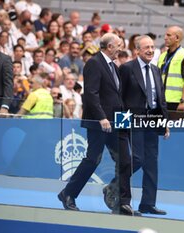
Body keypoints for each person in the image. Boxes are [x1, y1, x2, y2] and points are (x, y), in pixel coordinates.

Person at [57, 33, 139, 216]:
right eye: (118, 45)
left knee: (126, 161)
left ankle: (122, 202)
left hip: (116, 123)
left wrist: (125, 122)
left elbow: (118, 98)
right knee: (93, 159)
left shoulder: (114, 66)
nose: (121, 48)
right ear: (109, 46)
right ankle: (68, 193)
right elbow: (91, 94)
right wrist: (102, 117)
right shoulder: (94, 63)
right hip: (99, 122)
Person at [104, 35, 169, 215]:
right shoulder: (126, 68)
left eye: (152, 47)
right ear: (137, 50)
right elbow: (119, 97)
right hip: (133, 121)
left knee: (151, 163)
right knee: (137, 159)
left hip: (153, 121)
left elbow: (160, 100)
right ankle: (116, 186)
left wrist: (164, 123)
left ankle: (147, 203)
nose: (150, 50)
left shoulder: (156, 70)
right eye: (146, 47)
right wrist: (121, 123)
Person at [158, 26, 184, 119]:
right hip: (162, 101)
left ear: (177, 38)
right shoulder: (162, 56)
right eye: (165, 35)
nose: (165, 37)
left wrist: (183, 101)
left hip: (176, 103)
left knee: (175, 131)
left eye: (169, 35)